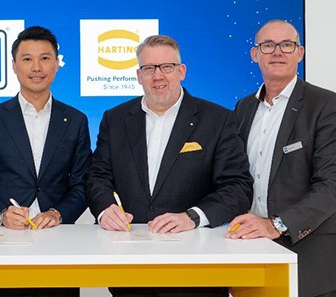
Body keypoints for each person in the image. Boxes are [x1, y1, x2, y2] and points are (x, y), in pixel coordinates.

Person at [86, 35, 253, 297]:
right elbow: (98, 176)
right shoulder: (114, 119)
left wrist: (193, 217)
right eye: (149, 68)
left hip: (196, 270)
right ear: (139, 75)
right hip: (131, 270)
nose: (158, 76)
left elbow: (237, 186)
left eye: (166, 67)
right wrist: (106, 209)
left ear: (181, 71)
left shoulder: (217, 119)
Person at [227, 19, 336, 297]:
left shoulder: (328, 105)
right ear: (255, 54)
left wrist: (276, 225)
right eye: (268, 45)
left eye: (286, 45)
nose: (277, 52)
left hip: (311, 255)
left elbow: (331, 186)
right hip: (252, 250)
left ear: (300, 53)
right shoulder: (243, 108)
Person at [0, 26, 91, 297]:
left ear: (57, 64)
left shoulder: (75, 120)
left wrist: (58, 213)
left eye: (45, 58)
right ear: (14, 65)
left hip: (59, 243)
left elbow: (82, 183)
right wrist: (2, 214)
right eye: (27, 59)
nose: (37, 67)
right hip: (5, 243)